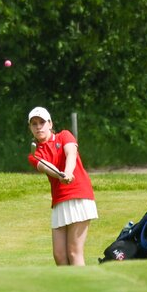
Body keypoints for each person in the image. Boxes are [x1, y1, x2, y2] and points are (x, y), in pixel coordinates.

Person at [27, 106, 97, 266]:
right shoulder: (34, 154)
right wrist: (60, 175)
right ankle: (68, 289)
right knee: (59, 255)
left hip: (79, 195)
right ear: (30, 127)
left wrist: (68, 172)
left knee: (74, 252)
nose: (38, 127)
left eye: (42, 122)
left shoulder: (64, 135)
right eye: (34, 124)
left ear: (50, 123)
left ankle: (83, 287)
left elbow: (71, 153)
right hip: (59, 200)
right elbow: (45, 166)